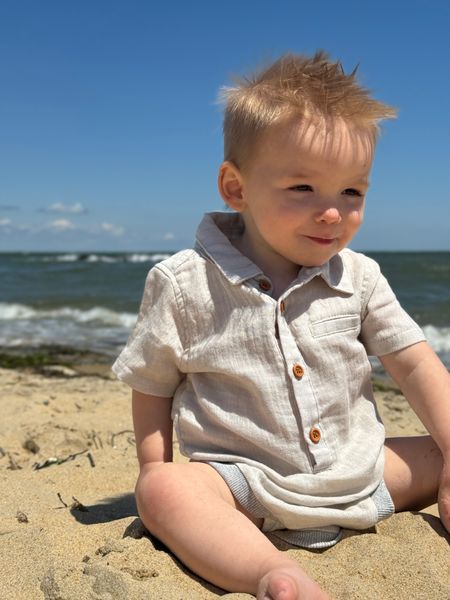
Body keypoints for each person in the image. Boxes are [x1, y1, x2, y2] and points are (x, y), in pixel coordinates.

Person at [112, 52, 450, 600]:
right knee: (167, 489)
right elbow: (152, 383)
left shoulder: (359, 276)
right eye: (302, 189)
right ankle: (271, 573)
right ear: (236, 187)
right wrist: (156, 474)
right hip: (245, 485)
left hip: (360, 473)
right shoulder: (184, 282)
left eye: (352, 192)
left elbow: (414, 363)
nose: (333, 213)